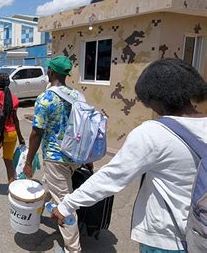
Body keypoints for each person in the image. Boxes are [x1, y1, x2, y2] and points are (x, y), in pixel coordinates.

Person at [44, 58, 206, 252]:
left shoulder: (153, 133)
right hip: (200, 233)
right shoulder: (77, 96)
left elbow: (112, 176)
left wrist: (66, 205)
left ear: (154, 97)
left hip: (168, 239)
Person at [23, 55, 86, 252]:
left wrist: (28, 160)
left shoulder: (46, 98)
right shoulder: (77, 96)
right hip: (75, 155)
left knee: (64, 202)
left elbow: (36, 132)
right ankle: (36, 211)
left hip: (55, 157)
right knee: (48, 185)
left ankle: (72, 248)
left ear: (50, 72)